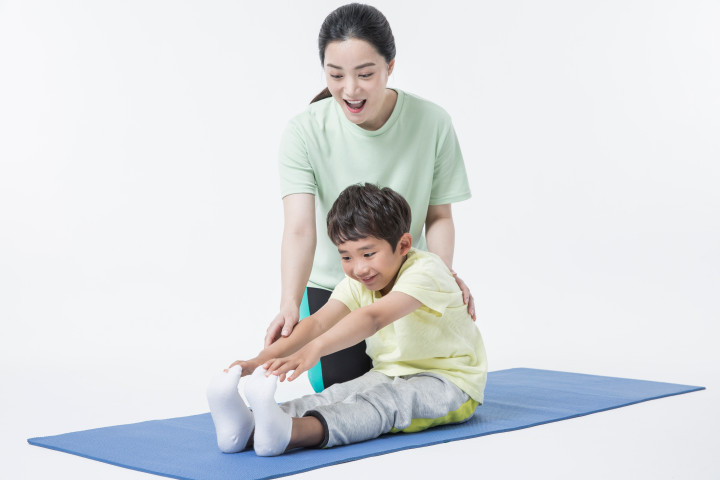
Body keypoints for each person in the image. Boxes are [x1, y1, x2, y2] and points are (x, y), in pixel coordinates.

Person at [267, 3, 476, 393]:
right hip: (336, 289)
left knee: (412, 390)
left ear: (390, 66)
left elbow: (439, 216)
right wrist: (289, 303)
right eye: (336, 75)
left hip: (404, 281)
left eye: (365, 74)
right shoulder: (303, 132)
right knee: (343, 395)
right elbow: (299, 230)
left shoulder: (433, 122)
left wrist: (438, 278)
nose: (350, 89)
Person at [207, 184, 487, 456]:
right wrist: (259, 360)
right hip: (388, 373)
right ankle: (247, 427)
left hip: (451, 383)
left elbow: (373, 317)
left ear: (403, 245)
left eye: (368, 254)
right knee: (335, 395)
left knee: (383, 403)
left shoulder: (427, 270)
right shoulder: (358, 282)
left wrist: (314, 349)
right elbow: (317, 323)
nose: (359, 268)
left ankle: (291, 433)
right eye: (346, 257)